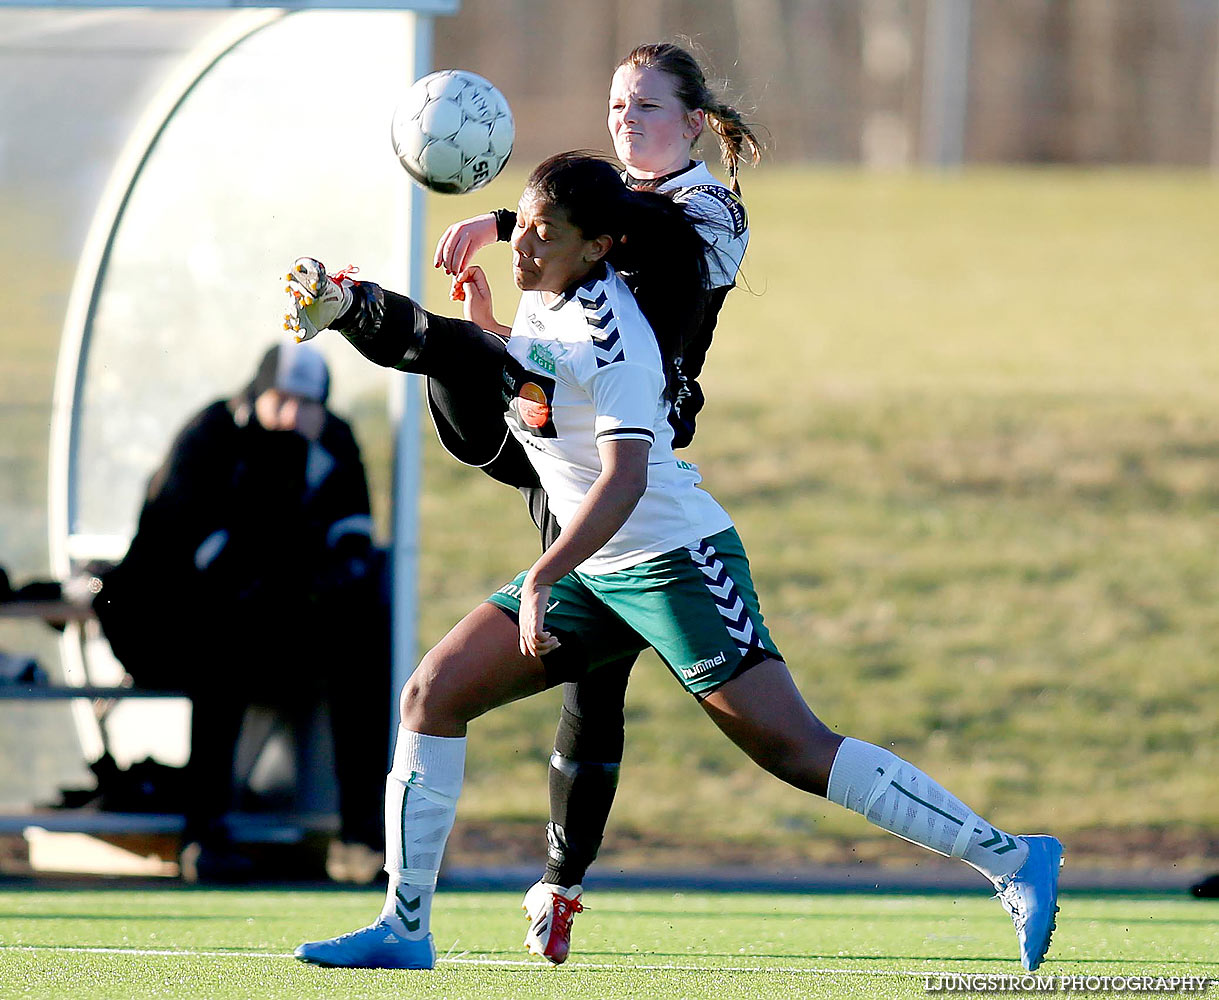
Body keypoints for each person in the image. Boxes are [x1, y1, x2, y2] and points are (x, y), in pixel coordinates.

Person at [287, 152, 1063, 973]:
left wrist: (545, 574)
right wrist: (360, 309)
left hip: (674, 558)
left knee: (792, 748)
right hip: (600, 568)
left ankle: (1013, 857)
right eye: (523, 222)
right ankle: (404, 929)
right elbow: (499, 366)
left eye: (544, 235)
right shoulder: (550, 296)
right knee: (430, 694)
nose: (522, 247)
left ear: (597, 248)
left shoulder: (614, 331)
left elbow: (621, 479)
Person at [289, 40, 763, 963]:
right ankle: (436, 915)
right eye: (618, 104)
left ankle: (558, 884)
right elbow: (563, 315)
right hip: (559, 440)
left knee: (607, 686)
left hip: (626, 467)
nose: (627, 118)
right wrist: (503, 282)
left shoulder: (705, 210)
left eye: (649, 106)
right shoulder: (588, 213)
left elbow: (638, 241)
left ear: (697, 122)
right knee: (474, 367)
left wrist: (513, 218)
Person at [90, 342, 391, 883]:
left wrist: (331, 574)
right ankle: (204, 835)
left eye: (309, 404)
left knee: (364, 645)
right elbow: (191, 551)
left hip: (274, 625)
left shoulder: (334, 440)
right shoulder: (211, 433)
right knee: (221, 648)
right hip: (170, 624)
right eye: (283, 400)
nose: (296, 416)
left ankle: (360, 837)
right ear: (255, 396)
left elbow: (354, 531)